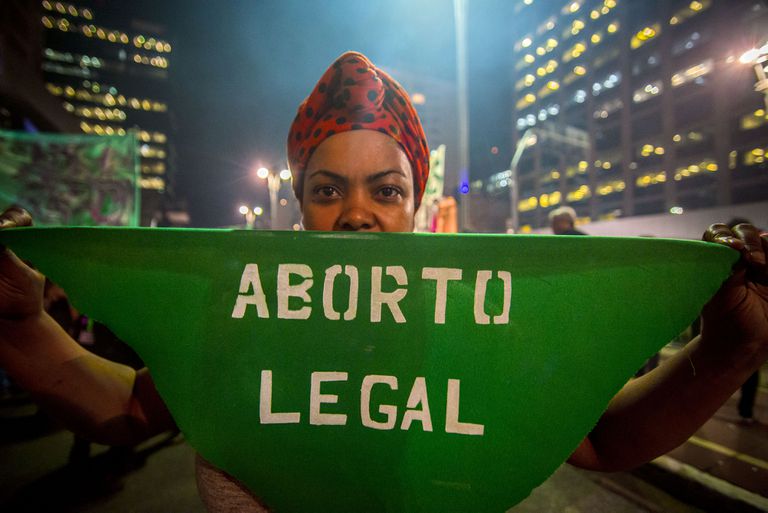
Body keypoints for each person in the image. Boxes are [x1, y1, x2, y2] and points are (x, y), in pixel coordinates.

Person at [0, 51, 767, 512]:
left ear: (417, 203)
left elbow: (597, 435)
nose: (357, 213)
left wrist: (733, 345)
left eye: (386, 190)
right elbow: (132, 408)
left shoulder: (473, 319)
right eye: (328, 190)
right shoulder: (243, 317)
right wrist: (19, 323)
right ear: (298, 204)